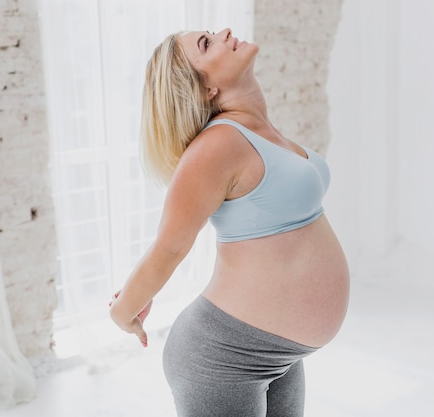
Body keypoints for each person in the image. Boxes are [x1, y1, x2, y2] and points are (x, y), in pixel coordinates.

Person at [109, 28, 350, 417]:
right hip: (224, 357)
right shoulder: (217, 146)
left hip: (278, 354)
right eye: (206, 43)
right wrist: (124, 310)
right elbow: (170, 246)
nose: (224, 33)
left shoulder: (265, 134)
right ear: (204, 89)